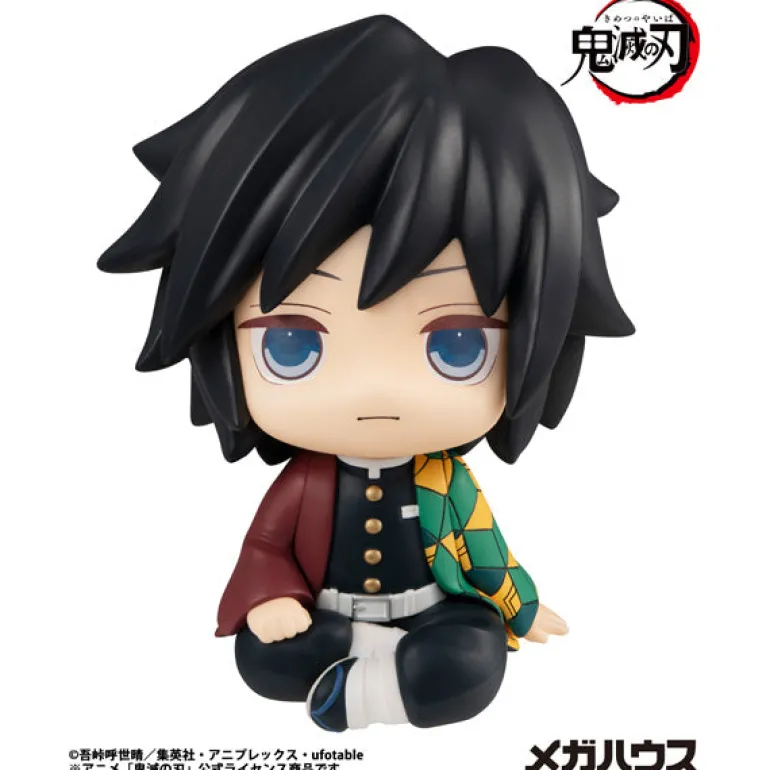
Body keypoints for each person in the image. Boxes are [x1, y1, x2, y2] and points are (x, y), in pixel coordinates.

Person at [98, 15, 634, 731]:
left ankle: (361, 692)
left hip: (432, 611)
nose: (374, 389)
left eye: (456, 346)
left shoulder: (449, 484)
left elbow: (487, 551)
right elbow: (265, 548)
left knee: (469, 658)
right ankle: (366, 679)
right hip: (327, 615)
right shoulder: (307, 483)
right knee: (268, 655)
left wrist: (520, 607)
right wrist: (271, 597)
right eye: (293, 344)